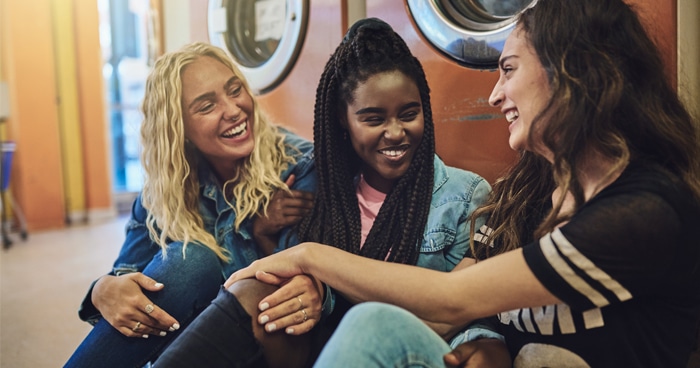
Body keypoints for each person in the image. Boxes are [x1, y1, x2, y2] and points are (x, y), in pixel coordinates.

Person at [226, 1, 700, 367]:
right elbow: (445, 311)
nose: (495, 94)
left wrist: (311, 256)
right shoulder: (529, 195)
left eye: (509, 68)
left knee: (377, 326)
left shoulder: (644, 213)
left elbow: (455, 298)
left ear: (572, 70)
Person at [153, 18, 495, 368]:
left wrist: (486, 341)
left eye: (409, 114)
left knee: (360, 321)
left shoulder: (464, 196)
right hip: (322, 349)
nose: (395, 133)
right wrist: (307, 286)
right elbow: (294, 282)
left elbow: (464, 309)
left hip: (400, 351)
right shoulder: (328, 191)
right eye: (373, 119)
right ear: (344, 121)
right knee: (255, 293)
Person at [65, 42, 318, 368]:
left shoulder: (298, 166)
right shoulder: (166, 186)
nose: (233, 110)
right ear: (179, 129)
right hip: (183, 340)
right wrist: (102, 289)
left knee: (192, 259)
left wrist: (259, 236)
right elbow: (127, 275)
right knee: (189, 259)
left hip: (259, 343)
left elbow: (282, 298)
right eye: (207, 105)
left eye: (234, 89)